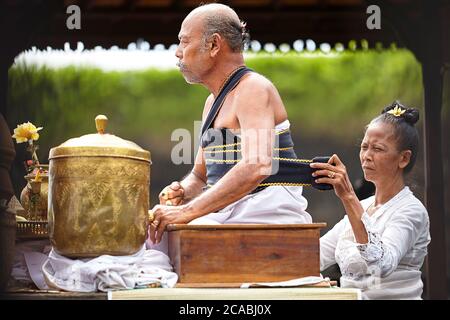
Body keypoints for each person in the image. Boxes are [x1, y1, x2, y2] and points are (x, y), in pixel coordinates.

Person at [147, 3, 313, 249]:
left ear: (214, 45)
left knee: (178, 239)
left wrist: (188, 212)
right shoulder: (211, 102)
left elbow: (257, 165)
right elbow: (200, 176)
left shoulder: (253, 88)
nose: (178, 52)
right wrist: (182, 192)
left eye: (183, 42)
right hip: (231, 213)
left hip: (265, 214)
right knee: (149, 236)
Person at [314, 101, 430, 299]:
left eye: (377, 148)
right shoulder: (365, 206)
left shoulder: (411, 211)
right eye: (364, 146)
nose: (367, 156)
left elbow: (382, 263)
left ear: (404, 158)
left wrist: (349, 196)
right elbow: (314, 255)